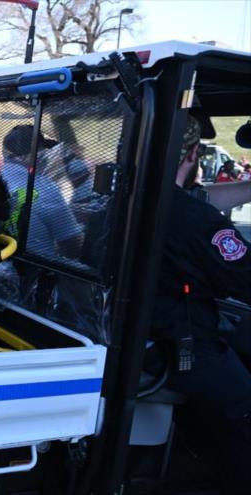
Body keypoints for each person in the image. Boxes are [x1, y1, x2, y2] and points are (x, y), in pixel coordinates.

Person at [150, 115, 250, 493]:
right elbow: (244, 277)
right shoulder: (195, 220)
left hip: (146, 337)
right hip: (182, 348)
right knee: (243, 406)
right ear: (193, 153)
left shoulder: (127, 194)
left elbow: (197, 200)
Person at [0, 125, 82, 256]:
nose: (47, 156)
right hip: (39, 269)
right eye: (44, 151)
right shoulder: (44, 188)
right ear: (32, 156)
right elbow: (73, 244)